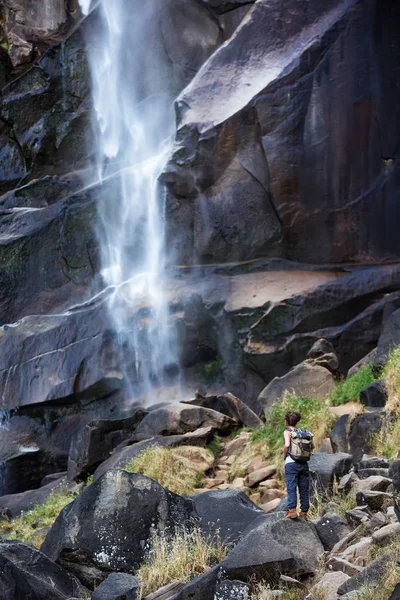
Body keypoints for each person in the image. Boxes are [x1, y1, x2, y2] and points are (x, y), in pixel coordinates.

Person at [283, 411, 310, 520]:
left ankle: (292, 511)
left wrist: (284, 455)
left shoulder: (287, 432)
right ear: (297, 421)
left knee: (291, 487)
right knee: (304, 489)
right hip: (304, 463)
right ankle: (304, 513)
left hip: (291, 463)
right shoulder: (304, 432)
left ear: (286, 422)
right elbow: (312, 445)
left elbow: (287, 445)